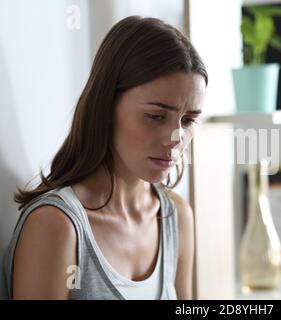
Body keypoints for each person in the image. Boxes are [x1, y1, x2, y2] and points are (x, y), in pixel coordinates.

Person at [2, 16, 207, 300]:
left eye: (188, 121)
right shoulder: (55, 226)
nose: (175, 138)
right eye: (156, 116)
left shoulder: (176, 217)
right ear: (106, 106)